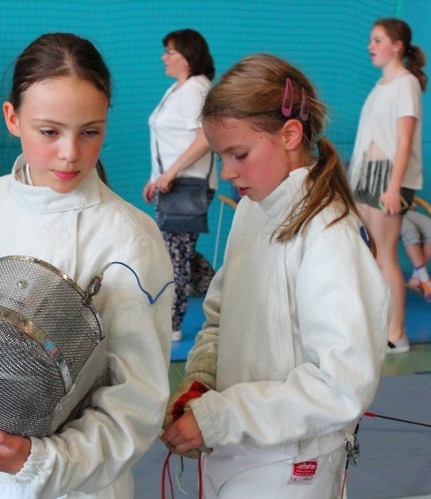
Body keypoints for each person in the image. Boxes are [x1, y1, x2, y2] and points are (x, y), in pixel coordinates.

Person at [0, 33, 174, 499]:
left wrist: (39, 462)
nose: (70, 152)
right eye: (49, 131)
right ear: (12, 118)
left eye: (90, 131)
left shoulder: (129, 237)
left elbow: (136, 402)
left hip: (78, 487)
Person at [160, 54, 391, 498]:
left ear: (290, 135)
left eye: (239, 154)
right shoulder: (252, 210)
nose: (227, 172)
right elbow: (220, 317)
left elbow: (342, 386)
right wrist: (203, 382)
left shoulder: (328, 234)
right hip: (237, 451)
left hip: (292, 468)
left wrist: (221, 417)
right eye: (220, 156)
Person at [349, 18, 428, 353]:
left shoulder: (406, 83)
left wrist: (394, 187)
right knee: (369, 256)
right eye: (371, 40)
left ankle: (396, 333)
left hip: (387, 178)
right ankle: (377, 327)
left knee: (385, 256)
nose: (371, 46)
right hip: (366, 174)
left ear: (397, 45)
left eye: (378, 40)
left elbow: (404, 140)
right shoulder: (380, 85)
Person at [143, 29, 217, 342]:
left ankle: (171, 325)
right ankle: (224, 297)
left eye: (170, 51)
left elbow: (205, 136)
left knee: (172, 255)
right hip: (173, 183)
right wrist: (155, 176)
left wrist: (170, 173)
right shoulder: (178, 89)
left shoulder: (195, 89)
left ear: (188, 57)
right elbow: (169, 140)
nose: (164, 57)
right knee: (180, 252)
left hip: (188, 184)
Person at [401, 203, 431, 302]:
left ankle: (415, 278)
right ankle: (424, 279)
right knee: (409, 231)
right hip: (379, 211)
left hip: (402, 209)